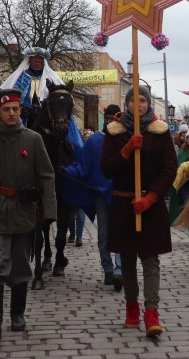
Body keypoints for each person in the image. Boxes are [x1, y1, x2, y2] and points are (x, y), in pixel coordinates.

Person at [0, 89, 56, 340]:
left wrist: (48, 209)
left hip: (23, 211)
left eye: (15, 109)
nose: (11, 113)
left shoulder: (33, 139)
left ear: (20, 111)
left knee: (20, 265)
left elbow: (47, 175)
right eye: (6, 109)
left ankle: (17, 314)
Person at [101, 85, 177, 337]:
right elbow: (106, 169)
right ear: (127, 104)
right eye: (134, 101)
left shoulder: (161, 131)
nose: (139, 105)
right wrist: (125, 150)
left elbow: (169, 169)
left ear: (148, 104)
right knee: (128, 259)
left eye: (143, 101)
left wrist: (152, 197)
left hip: (150, 205)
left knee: (151, 259)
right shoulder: (114, 132)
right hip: (124, 204)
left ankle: (151, 311)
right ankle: (131, 307)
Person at [77, 104, 122, 290]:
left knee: (120, 233)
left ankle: (120, 270)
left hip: (121, 194)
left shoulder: (124, 138)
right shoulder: (94, 141)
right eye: (108, 118)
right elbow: (83, 165)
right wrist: (68, 171)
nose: (111, 121)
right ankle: (108, 269)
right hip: (101, 196)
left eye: (114, 118)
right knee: (103, 234)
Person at [0, 46, 66, 129]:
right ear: (29, 60)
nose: (37, 60)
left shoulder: (51, 79)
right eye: (34, 58)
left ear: (44, 61)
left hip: (47, 121)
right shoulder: (20, 78)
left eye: (40, 58)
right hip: (23, 119)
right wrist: (20, 108)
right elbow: (10, 98)